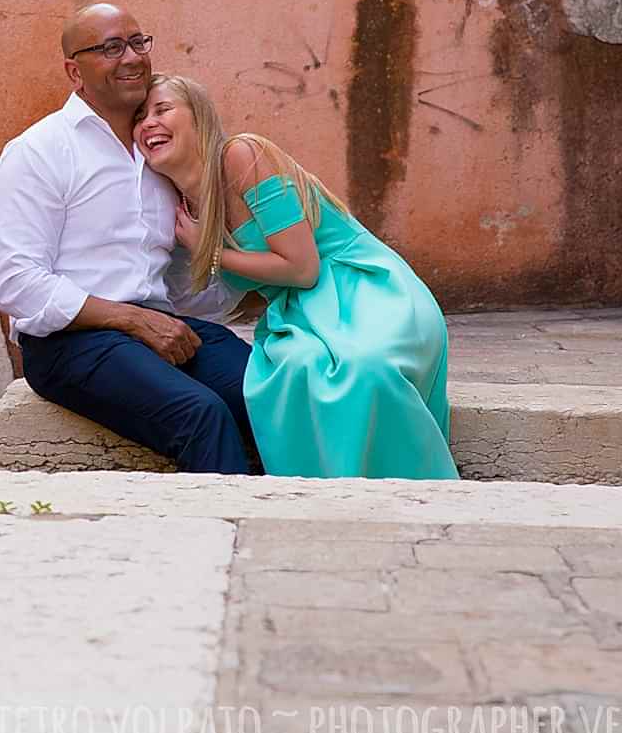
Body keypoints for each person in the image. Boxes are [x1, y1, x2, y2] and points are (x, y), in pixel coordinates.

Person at [134, 73, 459, 479]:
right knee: (294, 369)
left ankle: (413, 488)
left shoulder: (241, 155)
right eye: (140, 116)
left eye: (162, 109)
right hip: (299, 311)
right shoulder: (184, 209)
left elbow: (303, 268)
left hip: (363, 288)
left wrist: (210, 250)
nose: (148, 123)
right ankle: (321, 494)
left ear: (198, 117)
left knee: (365, 369)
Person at [0, 3, 255, 474]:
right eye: (111, 48)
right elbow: (15, 284)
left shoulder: (157, 151)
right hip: (70, 342)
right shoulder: (38, 151)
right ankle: (218, 542)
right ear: (75, 71)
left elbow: (191, 295)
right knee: (200, 415)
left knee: (268, 391)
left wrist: (208, 227)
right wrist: (130, 320)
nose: (132, 57)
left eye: (138, 42)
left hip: (155, 327)